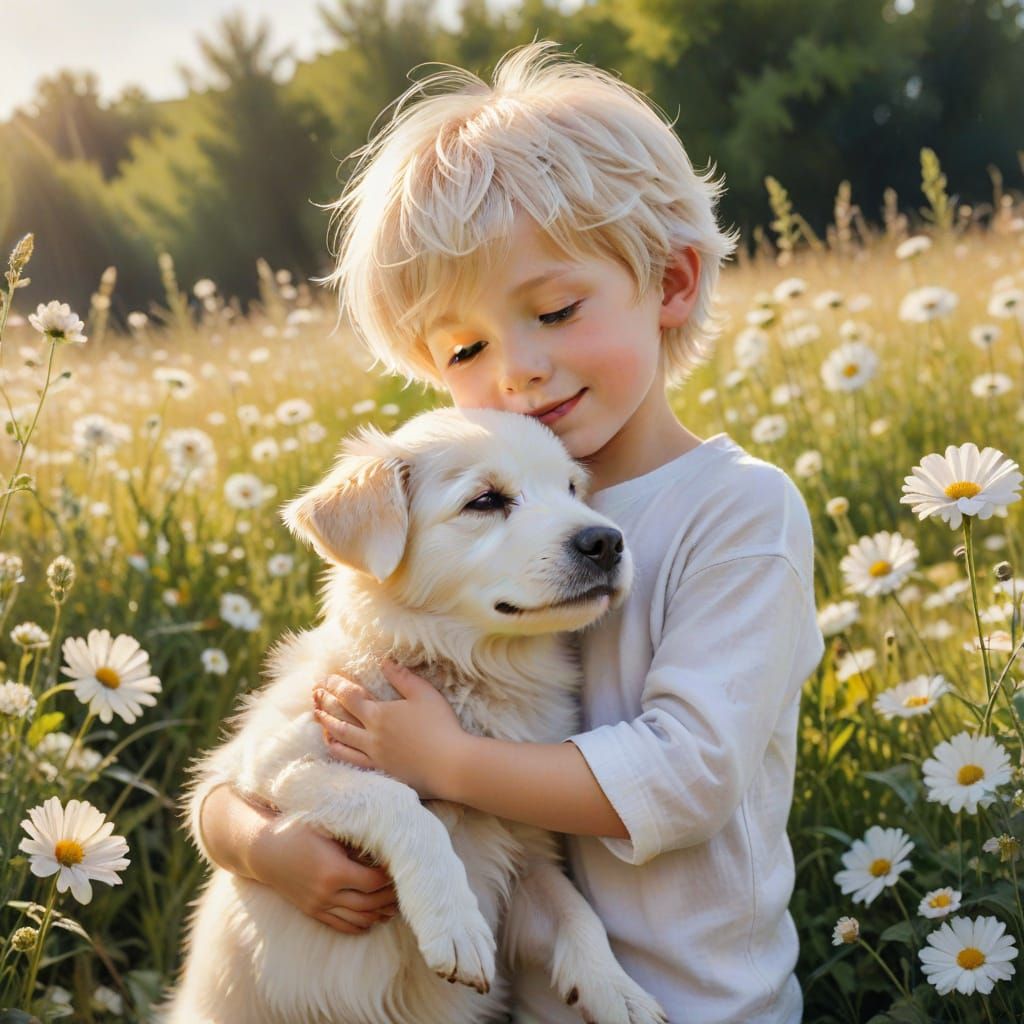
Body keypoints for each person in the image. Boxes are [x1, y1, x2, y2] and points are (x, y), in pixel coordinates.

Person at [191, 41, 825, 1023]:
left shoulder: (739, 511)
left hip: (703, 1006)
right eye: (466, 347)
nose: (518, 370)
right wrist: (250, 838)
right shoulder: (462, 530)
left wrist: (442, 762)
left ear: (671, 284)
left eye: (556, 309)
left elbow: (688, 773)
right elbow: (282, 743)